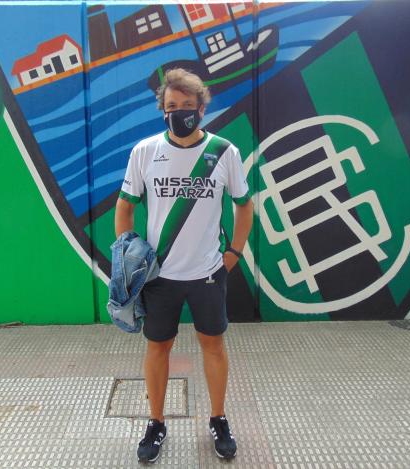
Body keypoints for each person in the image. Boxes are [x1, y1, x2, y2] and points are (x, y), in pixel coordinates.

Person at [114, 68, 254, 463]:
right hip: (160, 277)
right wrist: (127, 257)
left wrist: (234, 254)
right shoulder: (144, 152)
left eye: (187, 106)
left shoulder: (225, 152)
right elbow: (125, 206)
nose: (179, 113)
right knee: (158, 347)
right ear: (162, 110)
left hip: (209, 273)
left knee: (213, 344)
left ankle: (218, 418)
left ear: (202, 108)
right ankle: (156, 423)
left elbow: (245, 207)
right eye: (171, 106)